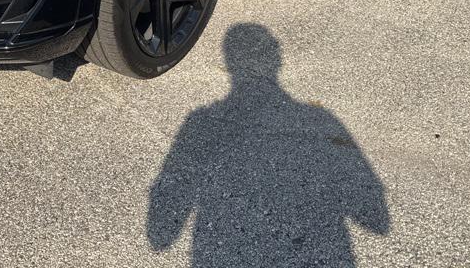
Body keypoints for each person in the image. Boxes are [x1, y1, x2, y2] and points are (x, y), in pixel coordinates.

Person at [148, 22, 390, 266]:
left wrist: (162, 232)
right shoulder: (319, 118)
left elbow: (161, 232)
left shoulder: (198, 120)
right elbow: (377, 222)